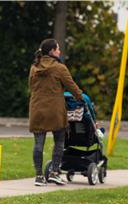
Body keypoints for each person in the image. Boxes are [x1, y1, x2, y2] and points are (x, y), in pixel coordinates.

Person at [29, 38, 83, 186]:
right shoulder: (60, 68)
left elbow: (31, 87)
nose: (59, 51)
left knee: (38, 144)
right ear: (52, 51)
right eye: (58, 49)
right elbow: (72, 86)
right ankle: (54, 172)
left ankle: (39, 176)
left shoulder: (34, 67)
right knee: (59, 141)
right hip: (55, 111)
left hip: (37, 109)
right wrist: (81, 97)